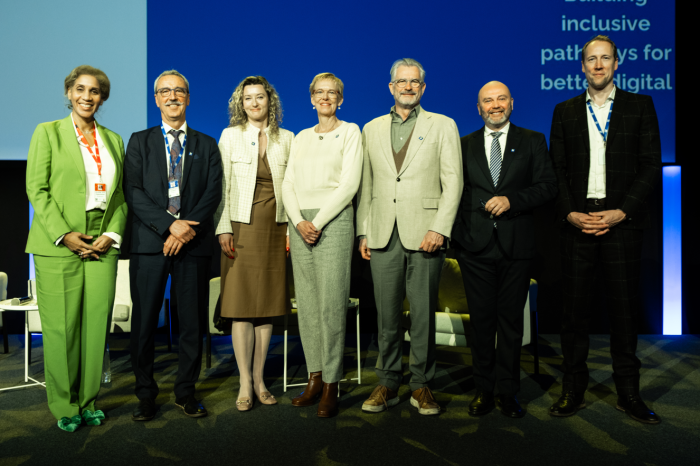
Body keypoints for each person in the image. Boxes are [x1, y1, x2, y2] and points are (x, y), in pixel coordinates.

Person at [548, 35, 662, 424]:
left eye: (605, 59)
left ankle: (628, 393)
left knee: (625, 313)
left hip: (622, 225)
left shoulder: (640, 106)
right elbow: (557, 171)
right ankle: (573, 390)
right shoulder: (563, 111)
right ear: (582, 66)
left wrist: (621, 212)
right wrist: (569, 213)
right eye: (591, 60)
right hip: (578, 223)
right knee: (574, 314)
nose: (598, 65)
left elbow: (650, 167)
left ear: (617, 63)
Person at [356, 58, 463, 415]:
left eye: (414, 82)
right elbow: (366, 185)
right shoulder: (371, 128)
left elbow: (454, 183)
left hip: (426, 234)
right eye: (401, 82)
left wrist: (440, 228)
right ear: (391, 87)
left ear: (423, 88)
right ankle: (386, 382)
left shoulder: (443, 125)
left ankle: (420, 385)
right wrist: (363, 231)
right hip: (383, 233)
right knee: (386, 317)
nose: (408, 87)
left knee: (422, 316)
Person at [25, 65, 127, 432]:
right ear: (69, 92)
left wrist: (111, 235)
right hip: (59, 244)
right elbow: (37, 189)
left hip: (101, 243)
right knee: (61, 329)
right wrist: (65, 234)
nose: (87, 96)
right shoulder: (47, 133)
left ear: (103, 98)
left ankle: (87, 402)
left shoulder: (114, 140)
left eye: (95, 91)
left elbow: (120, 198)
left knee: (95, 327)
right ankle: (64, 405)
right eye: (80, 89)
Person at [453, 81, 557, 418]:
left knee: (511, 324)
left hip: (517, 246)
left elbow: (547, 187)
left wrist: (512, 200)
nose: (494, 105)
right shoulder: (463, 144)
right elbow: (455, 191)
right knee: (482, 323)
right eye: (487, 100)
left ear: (512, 103)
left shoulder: (532, 140)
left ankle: (508, 392)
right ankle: (484, 390)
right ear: (478, 108)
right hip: (475, 247)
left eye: (500, 99)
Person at [124, 69, 222, 421]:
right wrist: (169, 226)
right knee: (145, 323)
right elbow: (132, 191)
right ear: (156, 99)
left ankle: (185, 393)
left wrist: (183, 231)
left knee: (192, 325)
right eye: (165, 91)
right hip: (150, 244)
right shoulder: (139, 141)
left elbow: (212, 193)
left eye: (179, 91)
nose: (172, 97)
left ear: (188, 98)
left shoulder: (207, 145)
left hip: (192, 245)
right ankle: (146, 395)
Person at [282, 72, 362, 418]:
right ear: (311, 98)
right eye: (319, 92)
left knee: (331, 306)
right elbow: (288, 183)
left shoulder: (350, 132)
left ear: (340, 99)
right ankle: (313, 377)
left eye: (332, 93)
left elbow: (349, 185)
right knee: (309, 306)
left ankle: (331, 383)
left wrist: (316, 222)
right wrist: (298, 221)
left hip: (333, 221)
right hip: (299, 224)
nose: (325, 97)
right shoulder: (300, 137)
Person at [214, 76, 294, 411]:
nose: (254, 103)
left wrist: (290, 230)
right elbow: (221, 187)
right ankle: (244, 383)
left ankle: (260, 379)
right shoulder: (231, 136)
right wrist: (222, 228)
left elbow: (293, 187)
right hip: (240, 228)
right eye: (248, 98)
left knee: (267, 310)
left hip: (275, 230)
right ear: (240, 103)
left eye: (260, 97)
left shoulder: (287, 138)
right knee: (241, 308)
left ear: (269, 101)